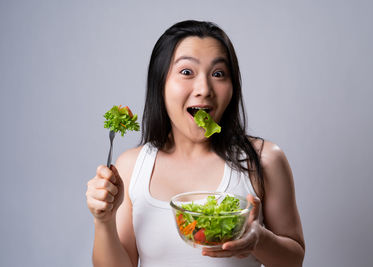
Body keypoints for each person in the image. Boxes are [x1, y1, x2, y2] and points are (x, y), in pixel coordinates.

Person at [86, 20, 305, 267]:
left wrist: (259, 240)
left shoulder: (264, 159)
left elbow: (294, 260)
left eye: (218, 74)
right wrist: (103, 221)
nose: (204, 89)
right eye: (186, 72)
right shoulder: (131, 165)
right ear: (161, 84)